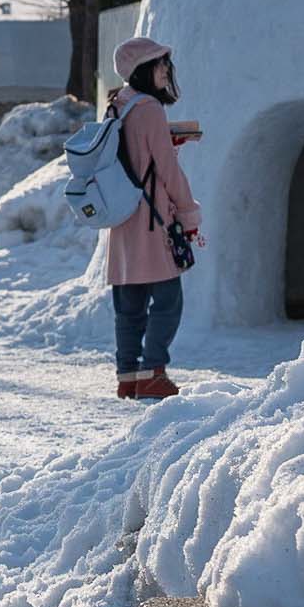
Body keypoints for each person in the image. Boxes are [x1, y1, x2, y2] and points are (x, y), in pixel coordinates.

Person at [103, 36, 200, 400]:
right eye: (159, 64)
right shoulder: (150, 109)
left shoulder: (119, 104)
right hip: (152, 217)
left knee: (129, 303)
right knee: (168, 299)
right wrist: (188, 212)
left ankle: (128, 375)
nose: (165, 71)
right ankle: (153, 372)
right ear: (143, 69)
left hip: (123, 214)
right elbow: (167, 171)